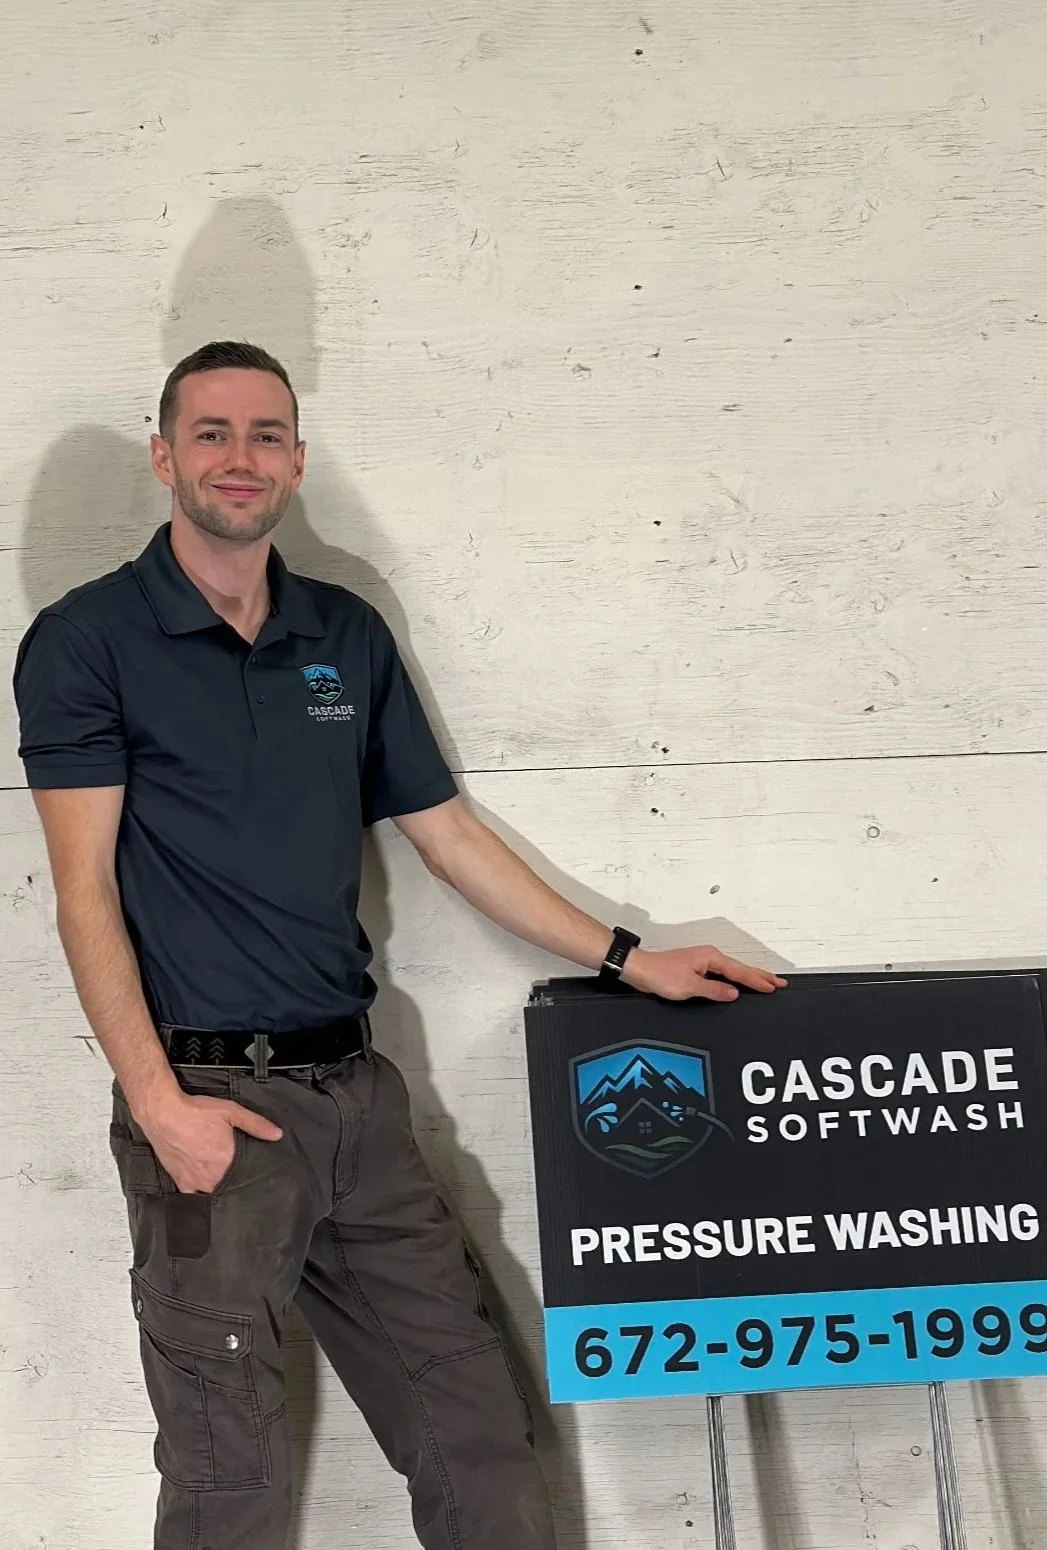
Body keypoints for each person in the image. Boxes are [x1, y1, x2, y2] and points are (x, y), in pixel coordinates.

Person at [13, 340, 786, 1550]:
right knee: (230, 1476)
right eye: (210, 432)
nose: (239, 456)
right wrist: (160, 1103)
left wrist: (628, 955)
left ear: (298, 461)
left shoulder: (344, 633)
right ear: (165, 455)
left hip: (360, 1103)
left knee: (475, 1426)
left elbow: (449, 835)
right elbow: (81, 894)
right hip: (212, 1107)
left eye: (266, 433)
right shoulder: (89, 639)